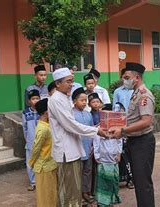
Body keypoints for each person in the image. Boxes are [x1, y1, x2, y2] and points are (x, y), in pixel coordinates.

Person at [48, 67, 108, 206]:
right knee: (68, 191)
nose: (71, 85)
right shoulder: (56, 100)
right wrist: (96, 131)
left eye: (72, 81)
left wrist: (94, 129)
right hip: (66, 151)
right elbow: (70, 125)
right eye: (68, 82)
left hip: (73, 149)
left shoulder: (64, 97)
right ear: (57, 84)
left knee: (74, 189)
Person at [109, 62, 156, 207]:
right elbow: (132, 119)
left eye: (127, 77)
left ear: (137, 78)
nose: (124, 80)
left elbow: (146, 121)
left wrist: (123, 130)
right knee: (138, 181)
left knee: (143, 183)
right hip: (134, 141)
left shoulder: (144, 96)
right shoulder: (135, 94)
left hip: (142, 142)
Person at [29, 99, 58, 207]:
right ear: (46, 112)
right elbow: (36, 148)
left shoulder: (47, 125)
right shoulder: (42, 129)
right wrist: (31, 163)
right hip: (43, 166)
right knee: (45, 195)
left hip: (50, 164)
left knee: (51, 192)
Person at [72, 88, 95, 204]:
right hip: (77, 149)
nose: (85, 102)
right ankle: (77, 194)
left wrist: (92, 145)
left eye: (86, 100)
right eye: (82, 100)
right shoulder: (71, 114)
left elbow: (91, 131)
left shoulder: (88, 114)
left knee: (87, 171)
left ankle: (86, 192)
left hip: (88, 148)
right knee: (77, 173)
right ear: (74, 101)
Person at [93, 119, 123, 206]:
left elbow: (119, 141)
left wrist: (119, 153)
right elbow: (96, 142)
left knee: (114, 180)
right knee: (103, 181)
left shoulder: (116, 128)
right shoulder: (99, 129)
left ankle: (112, 199)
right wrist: (97, 155)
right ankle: (103, 202)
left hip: (114, 160)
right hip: (103, 160)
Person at [22, 89, 41, 191]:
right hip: (30, 142)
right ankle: (33, 182)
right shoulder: (25, 113)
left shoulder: (42, 111)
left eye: (37, 98)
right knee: (30, 163)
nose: (35, 101)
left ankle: (41, 181)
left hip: (41, 142)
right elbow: (24, 128)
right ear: (29, 101)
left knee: (41, 162)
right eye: (33, 99)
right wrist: (28, 140)